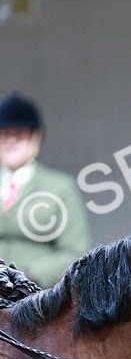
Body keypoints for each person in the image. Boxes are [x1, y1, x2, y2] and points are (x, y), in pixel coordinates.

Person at [0, 93, 91, 288]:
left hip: (37, 298)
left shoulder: (60, 187)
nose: (11, 141)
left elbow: (75, 251)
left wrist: (29, 274)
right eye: (4, 133)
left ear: (35, 138)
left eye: (19, 134)